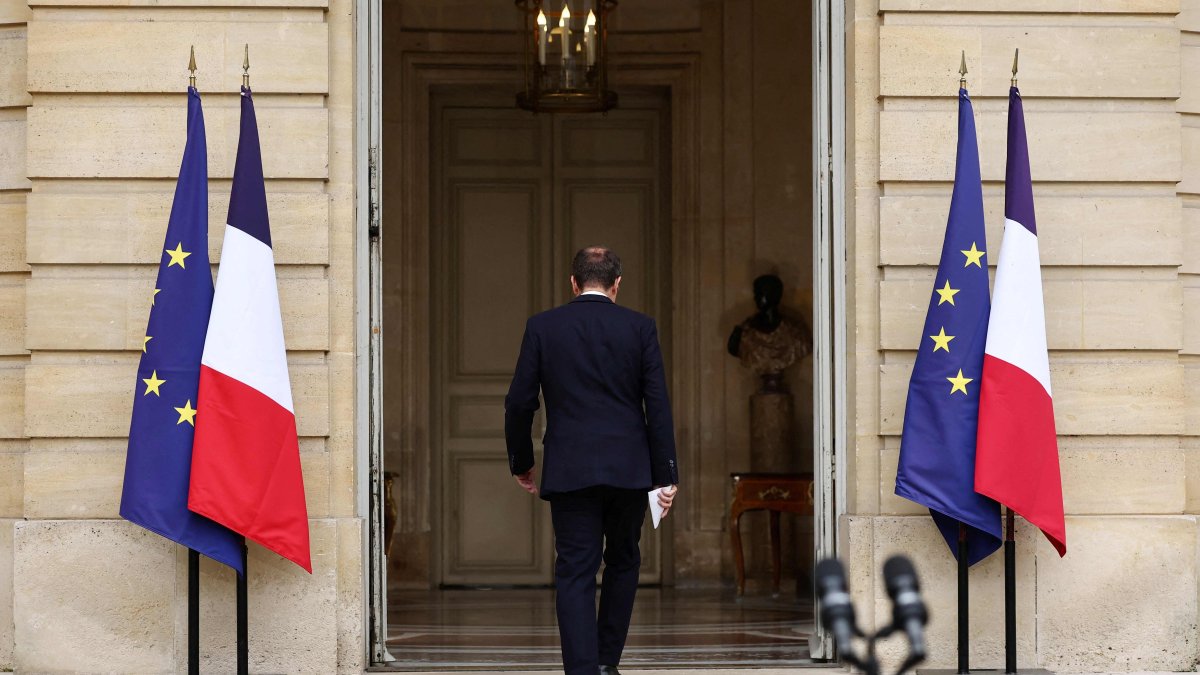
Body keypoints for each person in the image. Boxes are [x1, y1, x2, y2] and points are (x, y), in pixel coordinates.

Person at [505, 246, 680, 675]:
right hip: (628, 470)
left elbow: (518, 403)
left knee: (576, 569)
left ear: (573, 282)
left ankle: (583, 670)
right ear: (617, 284)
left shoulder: (543, 327)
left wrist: (521, 462)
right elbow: (657, 406)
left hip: (570, 469)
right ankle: (605, 664)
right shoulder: (640, 327)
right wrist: (666, 476)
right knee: (623, 560)